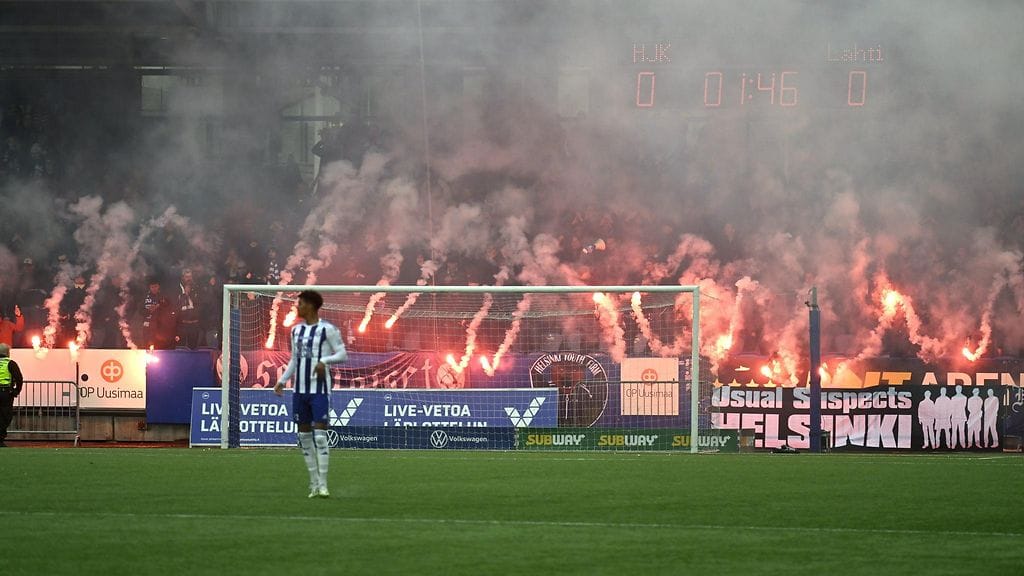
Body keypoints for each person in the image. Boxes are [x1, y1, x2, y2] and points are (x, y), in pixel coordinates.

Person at [273, 290, 348, 498]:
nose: (297, 307)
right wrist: (282, 381)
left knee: (321, 437)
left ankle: (323, 484)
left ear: (312, 306)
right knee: (304, 436)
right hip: (299, 391)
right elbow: (294, 360)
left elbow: (342, 354)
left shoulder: (328, 329)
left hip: (320, 390)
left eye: (301, 303)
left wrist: (325, 361)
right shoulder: (295, 331)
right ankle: (313, 483)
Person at [0, 343, 25, 447]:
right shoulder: (11, 363)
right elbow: (19, 378)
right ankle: (0, 439)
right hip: (5, 393)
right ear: (7, 352)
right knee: (5, 416)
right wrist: (16, 391)